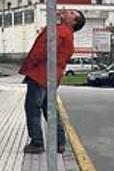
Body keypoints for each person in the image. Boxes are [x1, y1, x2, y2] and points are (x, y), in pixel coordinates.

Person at [18, 9, 86, 154]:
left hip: (40, 74)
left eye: (72, 13)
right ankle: (60, 142)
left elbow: (41, 51)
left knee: (33, 108)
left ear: (74, 22)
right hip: (51, 76)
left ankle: (37, 142)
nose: (68, 11)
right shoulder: (66, 33)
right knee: (49, 109)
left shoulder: (59, 31)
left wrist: (28, 65)